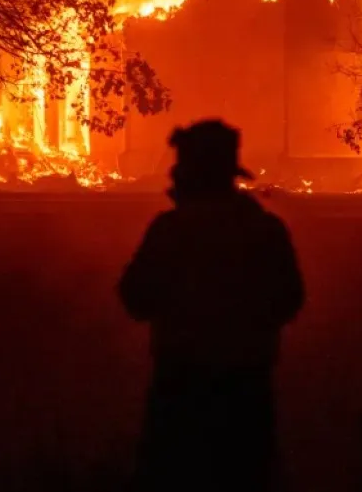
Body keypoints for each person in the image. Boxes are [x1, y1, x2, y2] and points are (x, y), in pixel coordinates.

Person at [119, 119, 305, 492]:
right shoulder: (264, 231)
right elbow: (290, 300)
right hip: (246, 390)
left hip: (180, 390)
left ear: (189, 174)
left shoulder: (171, 231)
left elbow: (134, 298)